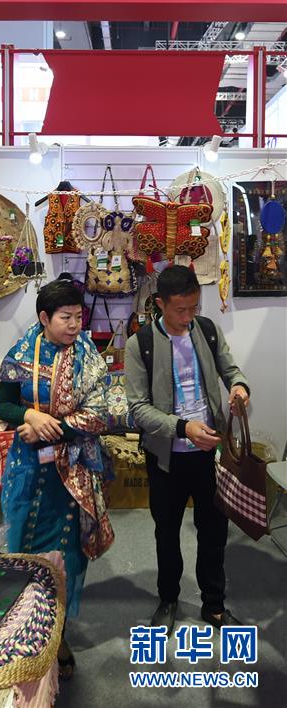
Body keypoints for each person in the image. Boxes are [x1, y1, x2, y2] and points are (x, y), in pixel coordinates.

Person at [0, 279, 131, 678]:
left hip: (73, 468)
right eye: (66, 317)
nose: (74, 325)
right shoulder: (22, 352)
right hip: (27, 468)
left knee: (67, 555)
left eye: (78, 317)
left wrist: (50, 428)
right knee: (22, 546)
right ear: (44, 317)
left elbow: (102, 413)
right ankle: (24, 631)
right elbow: (2, 402)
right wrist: (28, 416)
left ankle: (59, 635)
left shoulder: (88, 355)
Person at [124, 265, 250, 633]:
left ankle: (214, 605)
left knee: (213, 532)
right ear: (160, 303)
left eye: (194, 307)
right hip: (167, 457)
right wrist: (183, 428)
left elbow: (230, 369)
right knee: (167, 533)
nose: (188, 317)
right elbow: (138, 408)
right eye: (180, 309)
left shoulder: (206, 330)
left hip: (210, 454)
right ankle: (168, 599)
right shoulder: (140, 345)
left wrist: (239, 387)